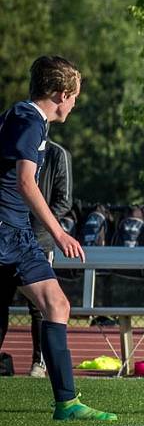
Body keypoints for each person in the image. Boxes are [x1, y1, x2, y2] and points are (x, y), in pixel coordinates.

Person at [0, 55, 115, 420]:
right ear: (61, 93)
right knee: (56, 305)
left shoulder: (25, 118)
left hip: (14, 231)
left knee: (56, 305)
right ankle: (65, 402)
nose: (76, 104)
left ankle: (66, 402)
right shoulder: (29, 120)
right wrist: (58, 231)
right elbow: (24, 182)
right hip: (8, 233)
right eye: (75, 96)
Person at [0, 137, 72, 377]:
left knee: (44, 307)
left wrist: (41, 225)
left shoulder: (57, 154)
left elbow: (64, 201)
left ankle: (39, 364)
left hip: (37, 242)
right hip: (9, 237)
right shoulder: (12, 148)